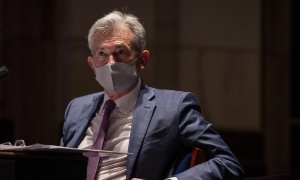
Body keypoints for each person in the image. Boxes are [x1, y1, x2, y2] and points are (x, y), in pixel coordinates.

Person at [60, 10, 244, 180]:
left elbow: (227, 162)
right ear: (92, 64)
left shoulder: (175, 106)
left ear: (142, 60)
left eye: (121, 52)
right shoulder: (76, 108)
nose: (111, 63)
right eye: (102, 53)